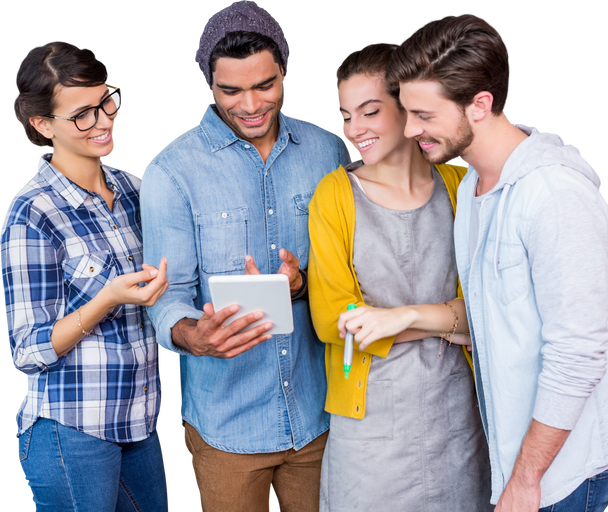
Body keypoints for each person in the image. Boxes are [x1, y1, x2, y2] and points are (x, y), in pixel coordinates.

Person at [385, 11, 608, 512]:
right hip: (521, 463)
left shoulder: (553, 195)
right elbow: (497, 322)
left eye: (425, 115)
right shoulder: (476, 193)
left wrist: (526, 480)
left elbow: (579, 353)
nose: (410, 129)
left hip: (565, 473)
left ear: (479, 105)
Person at [139, 1, 352, 511]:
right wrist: (194, 336)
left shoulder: (329, 149)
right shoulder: (170, 170)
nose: (251, 104)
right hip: (225, 429)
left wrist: (304, 284)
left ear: (285, 74)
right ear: (207, 85)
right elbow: (165, 298)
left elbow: (358, 265)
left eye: (266, 85)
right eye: (230, 90)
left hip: (321, 416)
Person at [307, 40, 492, 511]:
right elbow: (334, 321)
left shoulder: (458, 183)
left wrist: (392, 319)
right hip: (369, 430)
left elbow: (488, 309)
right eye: (345, 116)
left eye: (369, 111)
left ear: (408, 109)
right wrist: (447, 320)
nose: (353, 129)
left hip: (457, 417)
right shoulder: (334, 195)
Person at [3, 38, 171, 511]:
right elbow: (28, 348)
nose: (104, 121)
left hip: (140, 423)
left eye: (107, 101)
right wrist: (107, 299)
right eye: (82, 114)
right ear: (41, 124)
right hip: (70, 432)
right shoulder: (32, 212)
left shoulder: (136, 188)